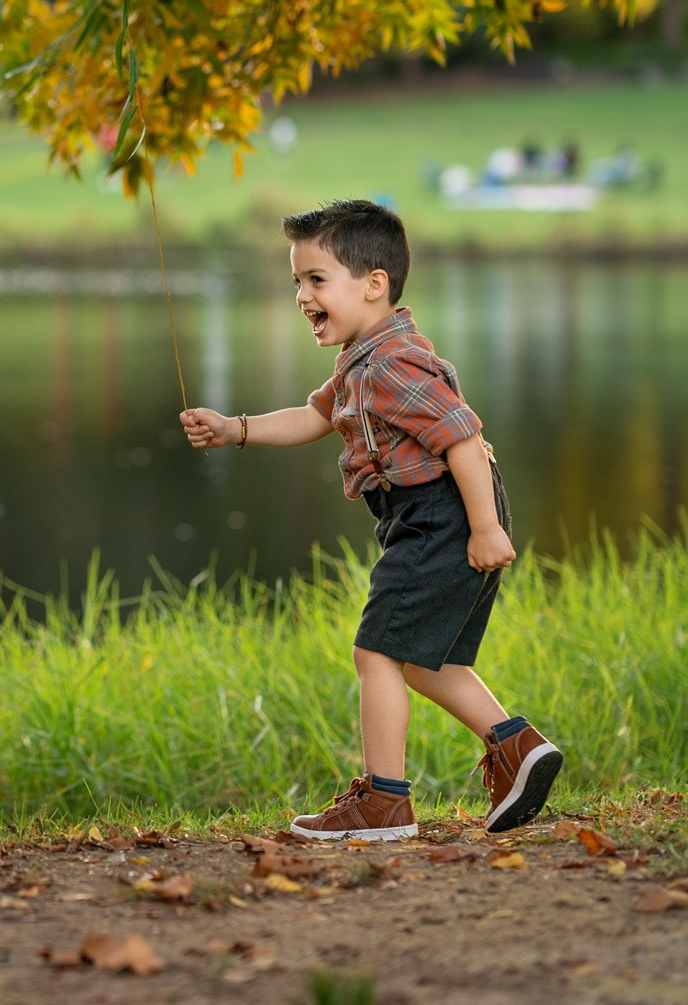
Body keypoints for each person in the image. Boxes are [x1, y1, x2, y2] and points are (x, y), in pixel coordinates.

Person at [179, 199, 562, 840]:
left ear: (373, 283)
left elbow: (463, 438)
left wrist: (484, 528)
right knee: (420, 658)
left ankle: (385, 802)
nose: (302, 296)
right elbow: (315, 417)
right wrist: (234, 428)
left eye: (316, 280)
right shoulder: (363, 360)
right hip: (429, 516)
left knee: (376, 651)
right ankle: (517, 747)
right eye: (297, 281)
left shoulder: (391, 363)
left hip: (440, 516)